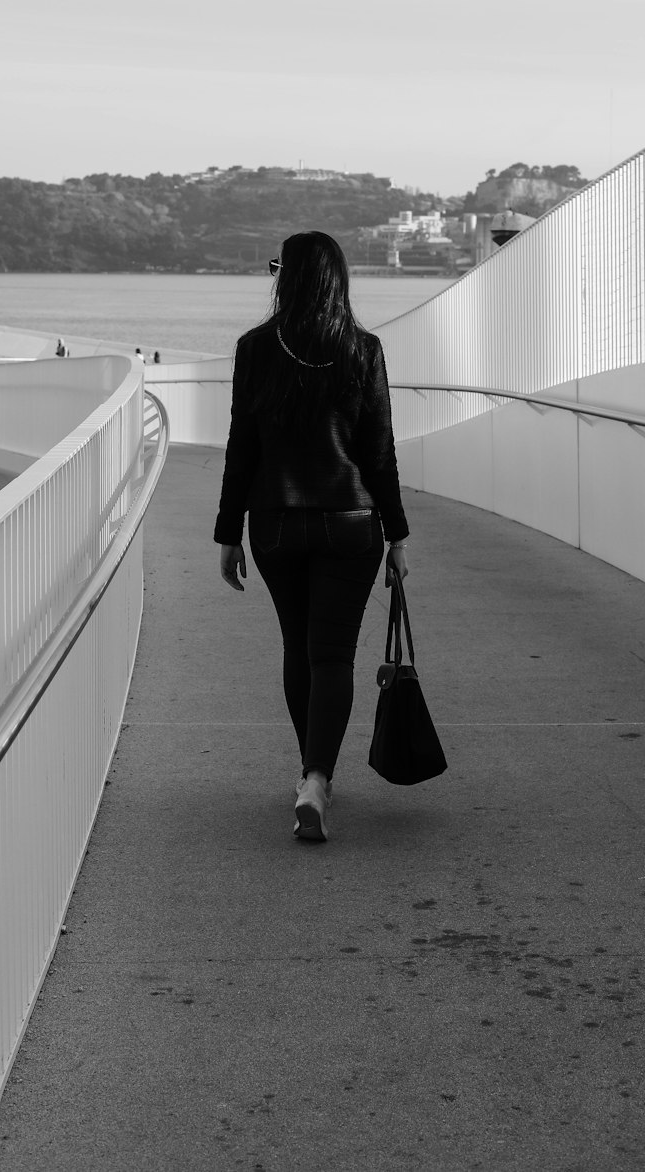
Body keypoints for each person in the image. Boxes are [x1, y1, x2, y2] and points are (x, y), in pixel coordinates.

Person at [215, 231, 410, 842]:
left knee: (298, 649)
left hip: (274, 523)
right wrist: (398, 535)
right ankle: (316, 779)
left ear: (285, 277)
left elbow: (241, 449)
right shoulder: (363, 349)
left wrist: (227, 534)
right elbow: (379, 454)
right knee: (332, 655)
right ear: (338, 280)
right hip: (351, 524)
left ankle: (311, 776)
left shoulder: (254, 349)